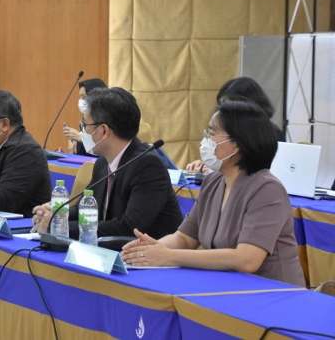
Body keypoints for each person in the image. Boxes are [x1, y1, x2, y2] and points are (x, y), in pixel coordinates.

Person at [122, 102, 305, 287]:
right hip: (226, 286)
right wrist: (151, 250)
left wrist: (169, 256)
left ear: (237, 144)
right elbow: (183, 238)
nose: (205, 141)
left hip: (272, 292)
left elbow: (247, 259)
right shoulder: (213, 181)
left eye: (211, 134)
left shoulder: (267, 189)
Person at [32, 88, 183, 239]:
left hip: (148, 252)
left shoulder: (148, 166)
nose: (83, 132)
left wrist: (59, 226)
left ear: (103, 130)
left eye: (85, 125)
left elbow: (128, 228)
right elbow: (83, 210)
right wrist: (56, 214)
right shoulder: (103, 162)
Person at [187, 76, 285, 173]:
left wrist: (213, 170)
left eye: (229, 106)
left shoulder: (272, 133)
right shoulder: (228, 130)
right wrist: (209, 165)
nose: (221, 112)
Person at [63, 78, 107, 156]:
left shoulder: (107, 121)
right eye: (80, 97)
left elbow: (105, 151)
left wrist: (81, 138)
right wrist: (74, 141)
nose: (81, 101)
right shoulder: (86, 120)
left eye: (84, 97)